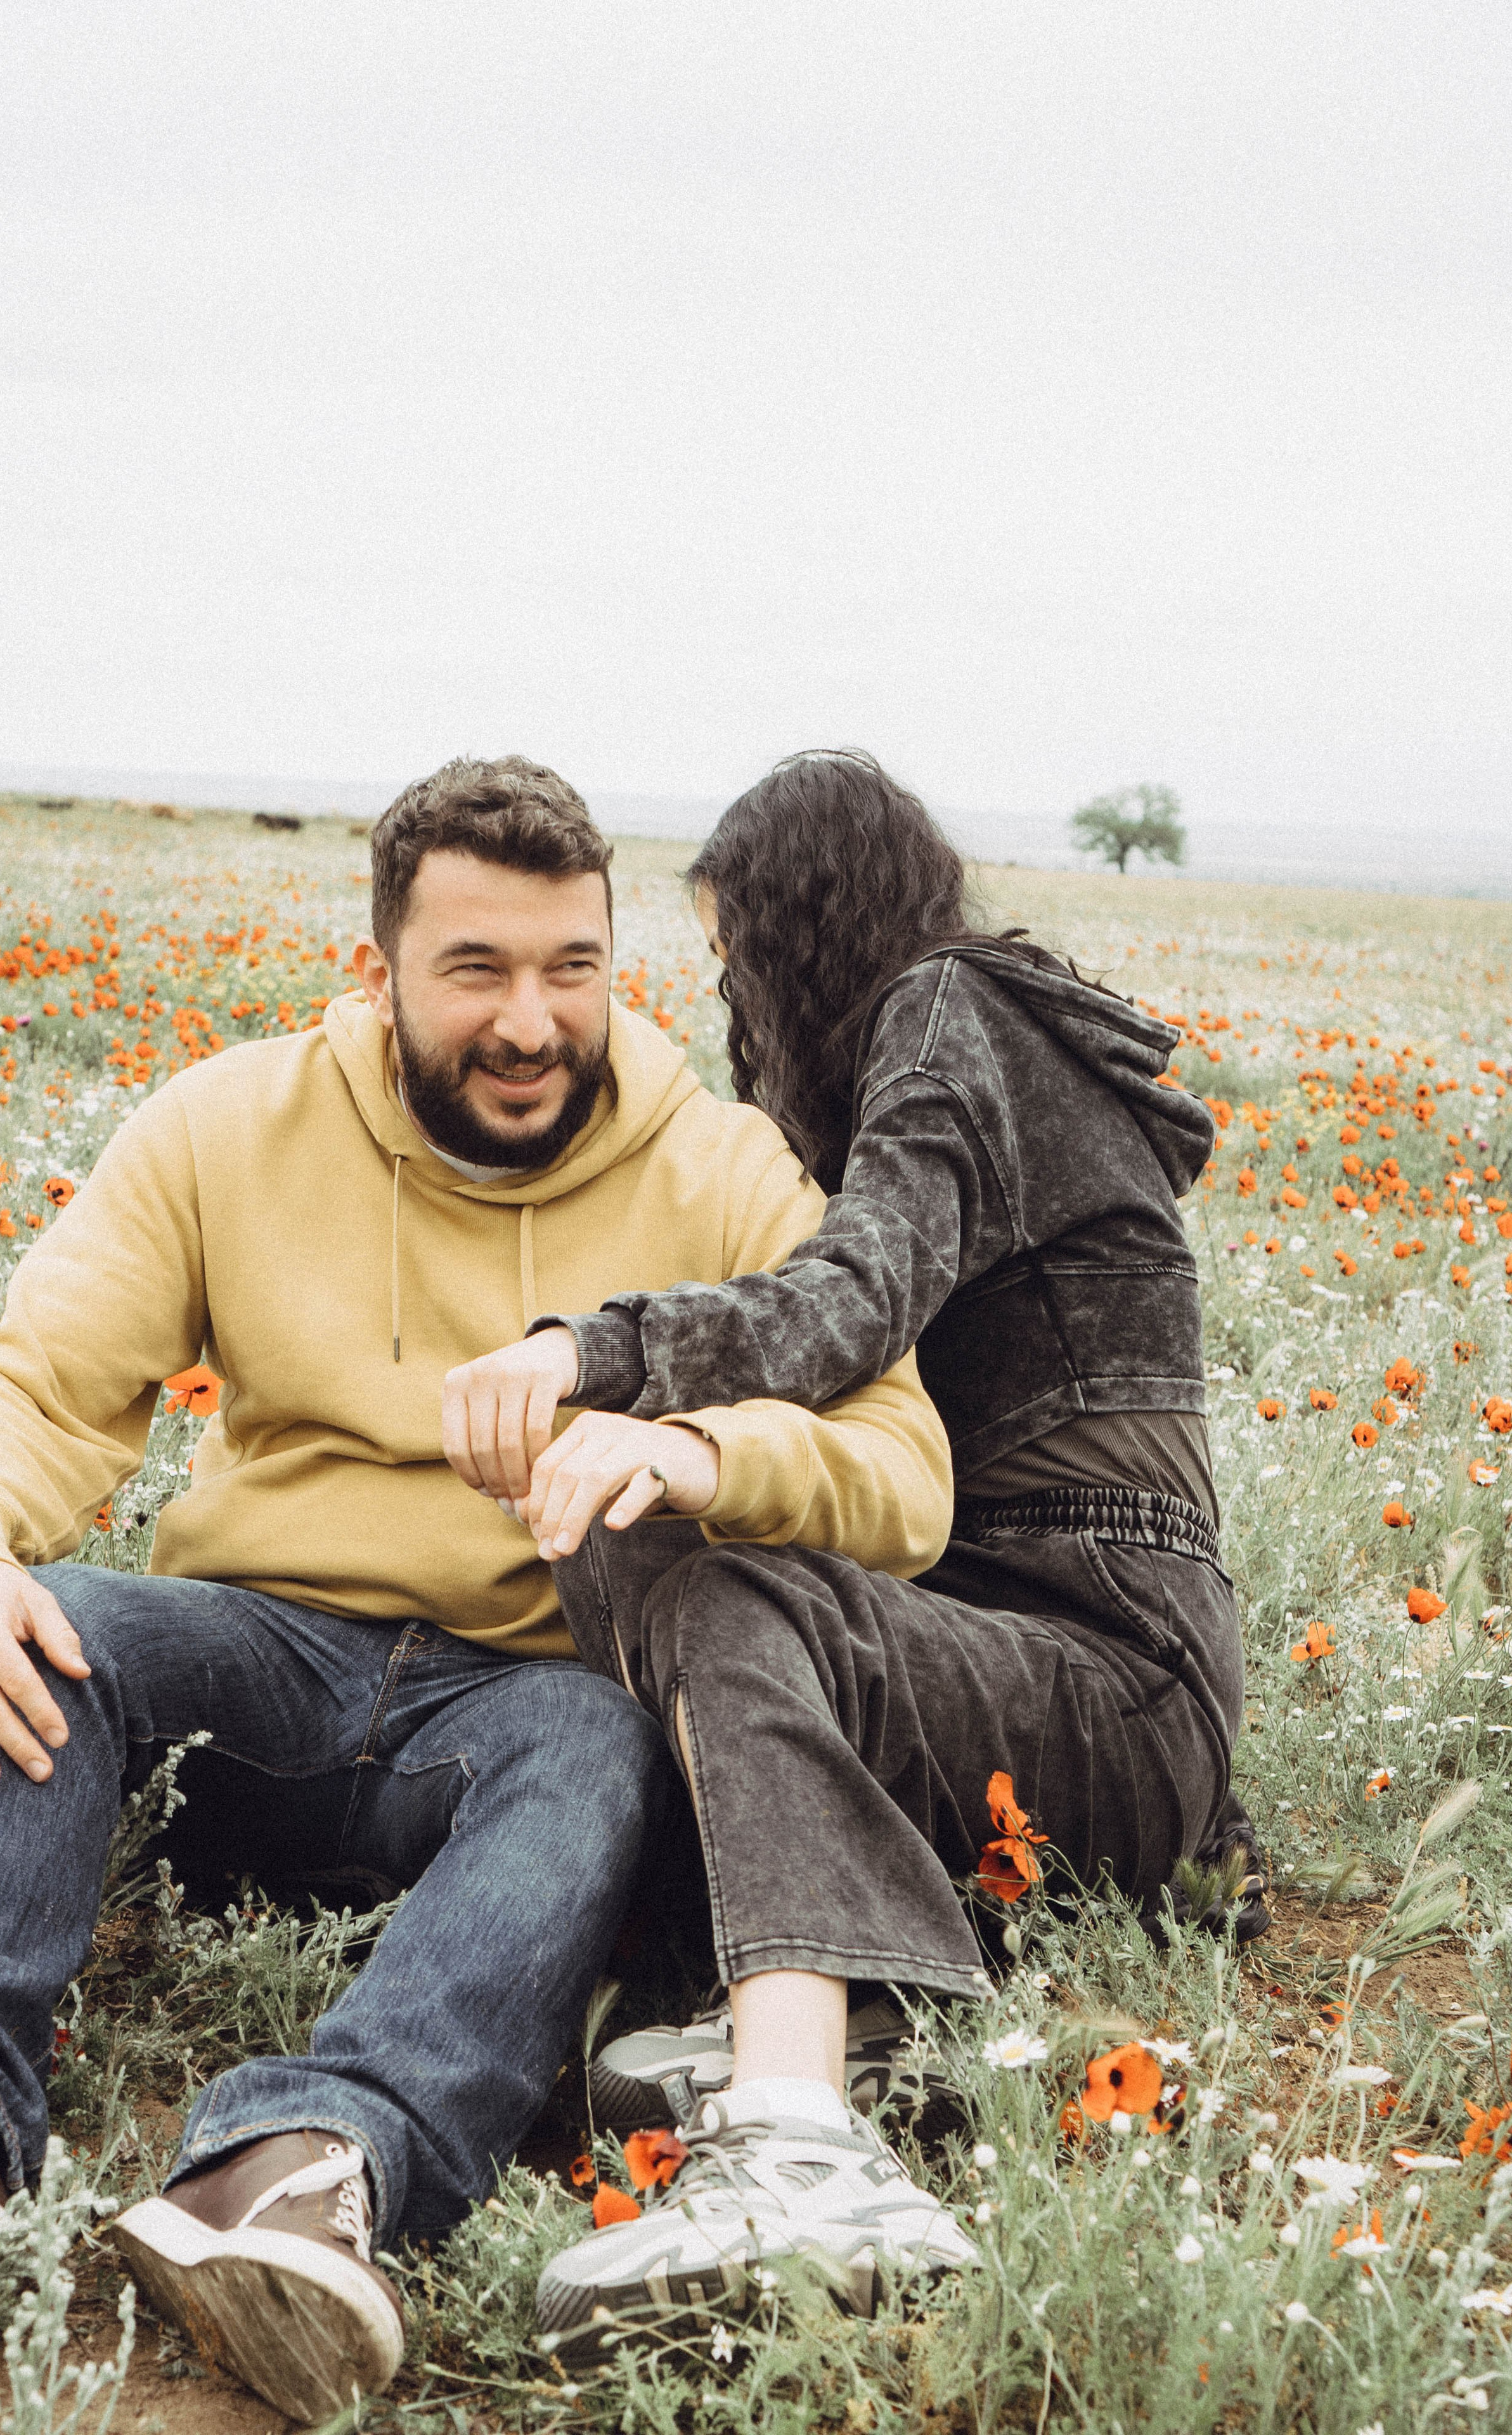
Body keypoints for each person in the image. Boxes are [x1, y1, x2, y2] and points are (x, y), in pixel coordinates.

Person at [0, 757, 955, 2422]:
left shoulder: (729, 1172)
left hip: (522, 1708)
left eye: (571, 969)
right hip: (252, 1663)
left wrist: (699, 1452)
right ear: (379, 972)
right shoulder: (227, 1124)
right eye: (475, 972)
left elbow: (905, 1472)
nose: (530, 1021)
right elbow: (34, 1384)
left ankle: (309, 2165)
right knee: (45, 1624)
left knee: (598, 1749)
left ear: (617, 966)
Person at [440, 750, 1263, 2358]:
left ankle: (802, 2148)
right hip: (1042, 1674)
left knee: (723, 1566)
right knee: (637, 1530)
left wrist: (591, 1355)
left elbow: (845, 1304)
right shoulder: (964, 1040)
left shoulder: (954, 1013)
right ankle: (864, 2020)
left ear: (802, 921)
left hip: (1107, 1665)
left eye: (736, 951)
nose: (735, 992)